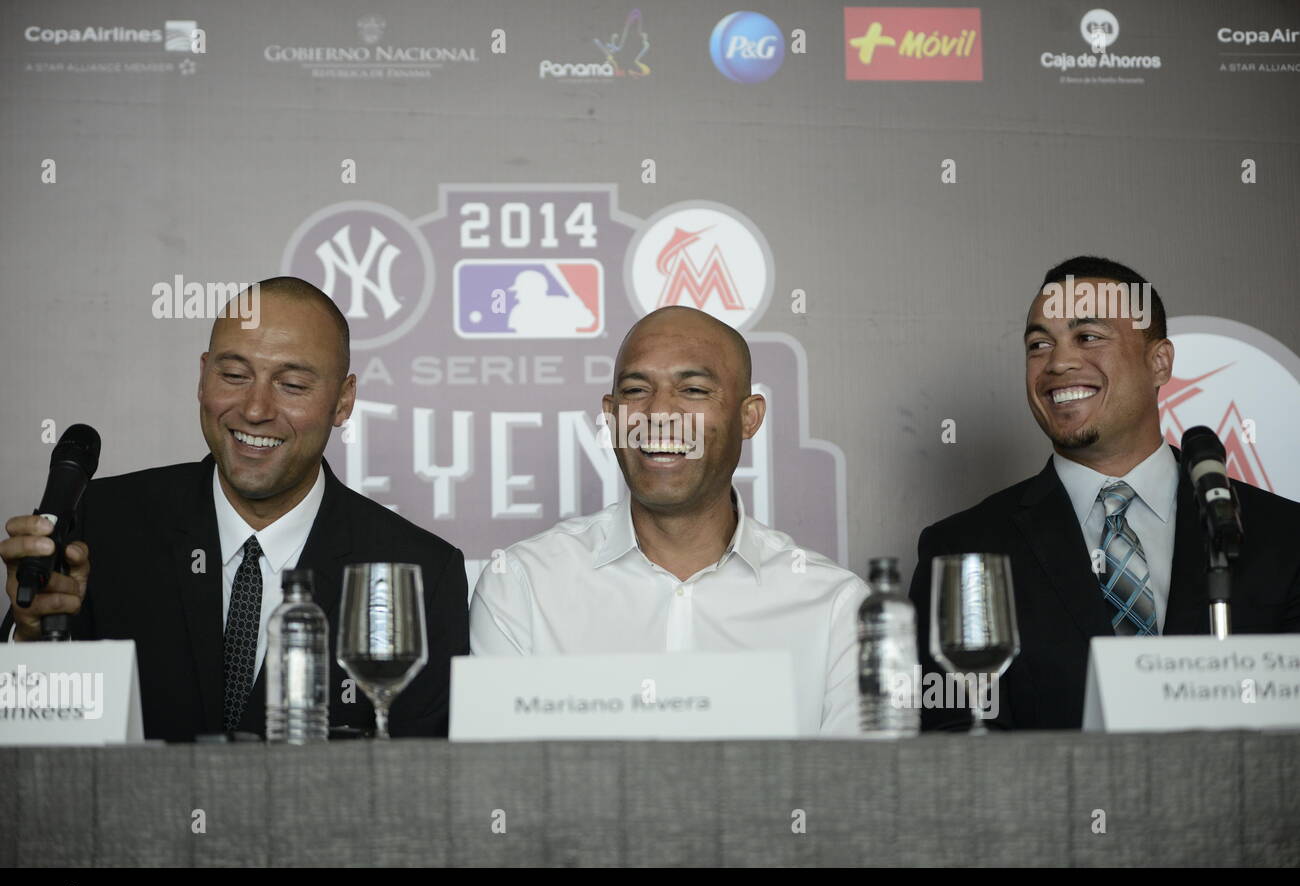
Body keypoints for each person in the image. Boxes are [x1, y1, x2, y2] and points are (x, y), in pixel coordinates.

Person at [1, 277, 469, 741]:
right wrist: (31, 641)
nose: (256, 409)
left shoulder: (422, 573)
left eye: (292, 384)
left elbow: (423, 790)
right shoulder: (100, 525)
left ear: (343, 400)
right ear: (203, 377)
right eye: (234, 376)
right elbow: (28, 753)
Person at [908, 256, 1300, 730]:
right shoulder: (963, 550)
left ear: (1160, 362)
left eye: (1088, 336)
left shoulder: (1283, 537)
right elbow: (953, 750)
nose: (1058, 362)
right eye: (1038, 344)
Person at [470, 306, 867, 736]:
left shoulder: (838, 609)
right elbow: (501, 788)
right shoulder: (523, 585)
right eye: (636, 390)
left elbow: (854, 793)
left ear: (748, 417)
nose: (659, 412)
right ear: (611, 415)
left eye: (694, 390)